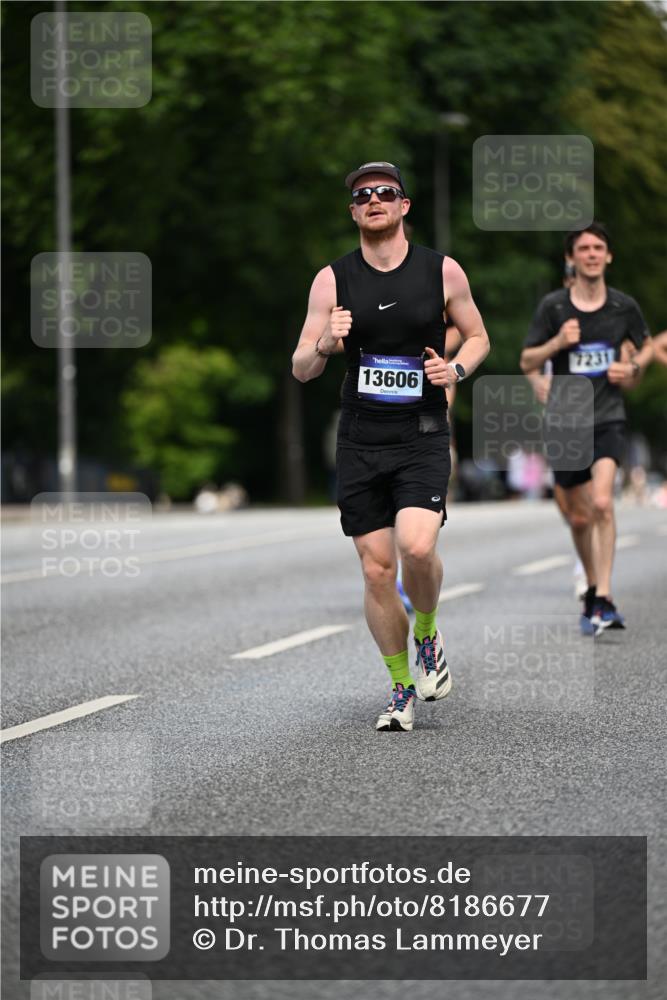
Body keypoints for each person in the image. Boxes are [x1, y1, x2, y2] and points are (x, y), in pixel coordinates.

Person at [292, 161, 490, 731]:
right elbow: (301, 367)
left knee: (417, 548)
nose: (373, 200)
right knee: (378, 571)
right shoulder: (331, 280)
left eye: (385, 192)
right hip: (360, 438)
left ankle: (426, 631)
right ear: (353, 212)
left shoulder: (441, 270)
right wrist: (326, 342)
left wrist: (455, 369)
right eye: (363, 196)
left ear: (404, 205)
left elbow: (479, 337)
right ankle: (401, 688)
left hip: (422, 432)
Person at [520, 222, 653, 635]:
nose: (592, 254)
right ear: (572, 258)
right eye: (584, 248)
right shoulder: (554, 307)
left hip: (608, 417)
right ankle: (593, 586)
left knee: (602, 502)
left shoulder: (623, 307)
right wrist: (557, 344)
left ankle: (605, 597)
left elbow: (647, 346)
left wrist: (632, 367)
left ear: (608, 256)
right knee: (579, 519)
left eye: (598, 248)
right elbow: (527, 360)